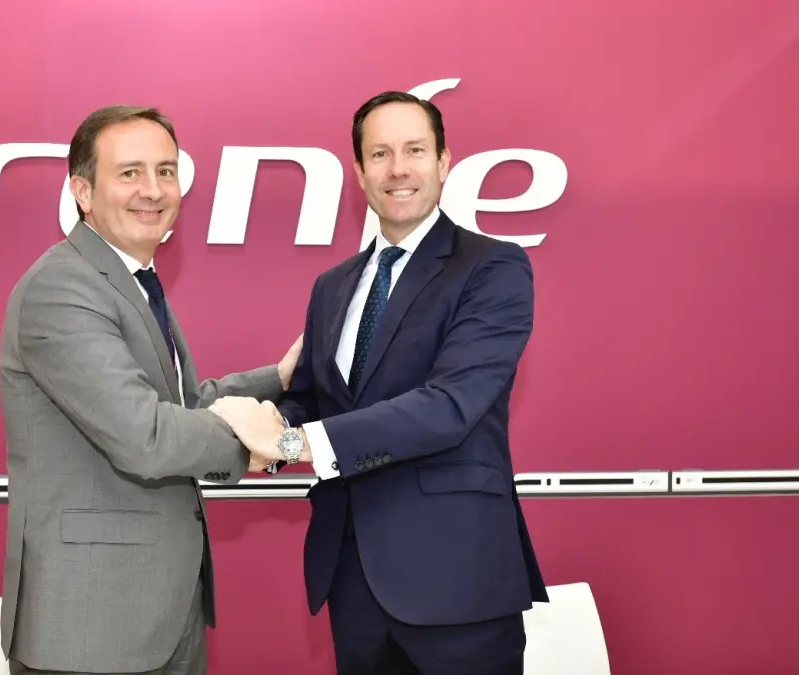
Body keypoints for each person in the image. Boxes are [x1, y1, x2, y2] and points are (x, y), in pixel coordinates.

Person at [209, 91, 548, 675]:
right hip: (354, 577)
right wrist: (263, 426)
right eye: (380, 154)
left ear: (444, 162)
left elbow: (449, 406)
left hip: (456, 576)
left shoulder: (493, 267)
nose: (398, 169)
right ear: (360, 172)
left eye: (414, 150)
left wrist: (289, 443)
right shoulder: (332, 286)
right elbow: (312, 398)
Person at [0, 104, 302, 675]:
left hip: (161, 612)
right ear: (82, 192)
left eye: (166, 171)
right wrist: (271, 444)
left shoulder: (133, 279)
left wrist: (280, 379)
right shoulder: (62, 288)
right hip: (91, 627)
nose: (153, 190)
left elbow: (180, 407)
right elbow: (146, 436)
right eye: (129, 173)